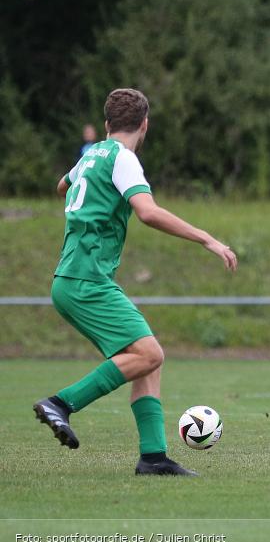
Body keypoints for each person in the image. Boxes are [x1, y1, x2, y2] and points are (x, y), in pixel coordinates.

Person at [33, 88, 238, 476]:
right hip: (86, 279)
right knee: (150, 354)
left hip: (72, 277)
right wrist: (207, 239)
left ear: (108, 124)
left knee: (148, 358)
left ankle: (153, 457)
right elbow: (147, 212)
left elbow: (64, 187)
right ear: (144, 124)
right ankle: (61, 403)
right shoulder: (124, 159)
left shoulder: (92, 154)